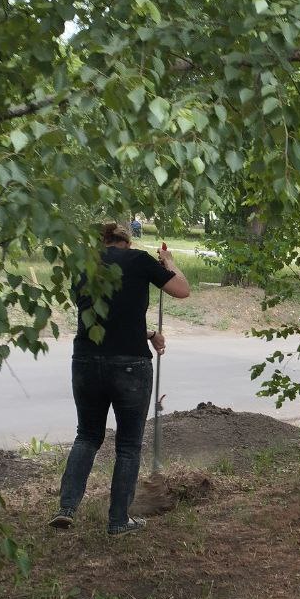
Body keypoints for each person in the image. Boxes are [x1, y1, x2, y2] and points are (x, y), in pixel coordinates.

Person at [50, 222, 190, 535]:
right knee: (128, 445)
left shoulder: (83, 269)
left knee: (87, 435)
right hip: (130, 364)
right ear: (126, 241)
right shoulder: (139, 260)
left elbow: (105, 318)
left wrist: (150, 333)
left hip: (86, 361)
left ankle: (67, 508)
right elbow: (181, 290)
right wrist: (169, 264)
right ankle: (118, 520)